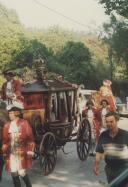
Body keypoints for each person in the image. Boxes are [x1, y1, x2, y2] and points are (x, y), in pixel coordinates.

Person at [2, 104, 35, 187]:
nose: (9, 115)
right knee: (14, 173)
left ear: (17, 113)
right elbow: (5, 141)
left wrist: (30, 150)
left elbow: (31, 140)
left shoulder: (24, 124)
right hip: (11, 154)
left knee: (21, 172)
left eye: (11, 113)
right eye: (9, 113)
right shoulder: (6, 126)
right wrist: (4, 150)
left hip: (22, 154)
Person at [93, 112, 128, 184]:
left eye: (111, 121)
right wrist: (96, 165)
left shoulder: (125, 135)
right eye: (107, 122)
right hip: (109, 169)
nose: (109, 124)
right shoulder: (103, 135)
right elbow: (99, 151)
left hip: (123, 169)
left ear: (117, 121)